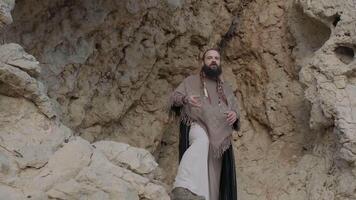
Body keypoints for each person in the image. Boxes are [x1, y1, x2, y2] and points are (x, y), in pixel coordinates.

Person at [168, 48, 240, 200]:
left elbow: (235, 109)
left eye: (216, 58)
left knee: (213, 180)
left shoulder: (226, 88)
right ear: (203, 62)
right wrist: (186, 99)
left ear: (219, 63)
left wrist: (235, 115)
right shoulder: (191, 81)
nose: (213, 60)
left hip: (220, 140)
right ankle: (183, 185)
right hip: (198, 126)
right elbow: (174, 97)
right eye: (209, 58)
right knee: (202, 142)